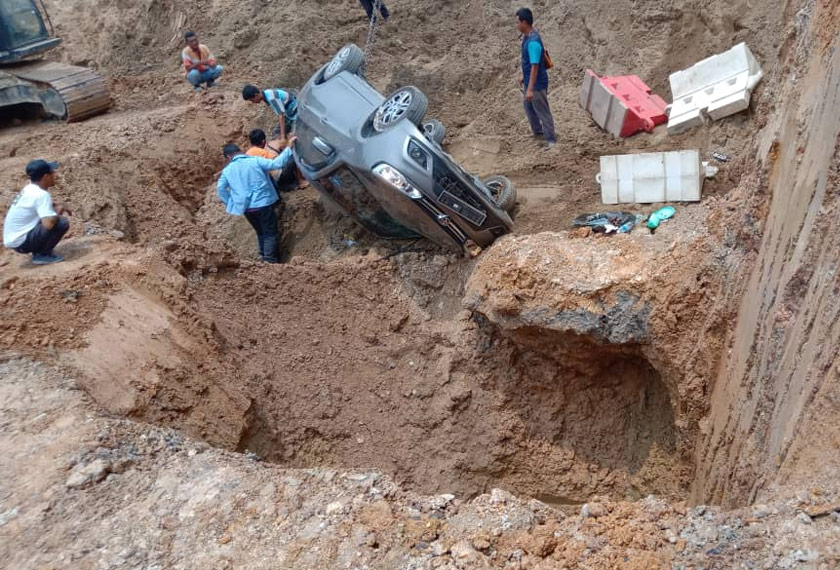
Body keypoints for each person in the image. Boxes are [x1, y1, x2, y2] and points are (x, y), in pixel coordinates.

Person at [217, 138, 297, 263]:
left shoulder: (227, 171)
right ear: (240, 151)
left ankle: (262, 255)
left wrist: (231, 203)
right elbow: (275, 164)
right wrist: (288, 149)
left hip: (246, 208)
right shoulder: (254, 161)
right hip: (263, 203)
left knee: (260, 232)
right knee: (270, 233)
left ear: (228, 157)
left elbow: (220, 189)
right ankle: (269, 261)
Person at [3, 160, 71, 265]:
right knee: (61, 223)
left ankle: (40, 251)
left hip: (14, 238)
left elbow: (37, 205)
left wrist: (55, 206)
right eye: (52, 173)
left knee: (50, 218)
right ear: (45, 177)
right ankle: (42, 255)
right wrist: (57, 212)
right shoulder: (41, 195)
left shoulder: (29, 188)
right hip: (21, 242)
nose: (54, 175)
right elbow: (49, 224)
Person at [516, 8, 556, 150]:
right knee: (529, 107)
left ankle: (551, 140)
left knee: (542, 111)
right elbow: (528, 62)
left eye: (518, 22)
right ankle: (539, 133)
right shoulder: (528, 37)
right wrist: (523, 75)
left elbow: (534, 66)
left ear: (524, 22)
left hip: (537, 84)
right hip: (529, 81)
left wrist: (531, 89)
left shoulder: (533, 42)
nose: (517, 25)